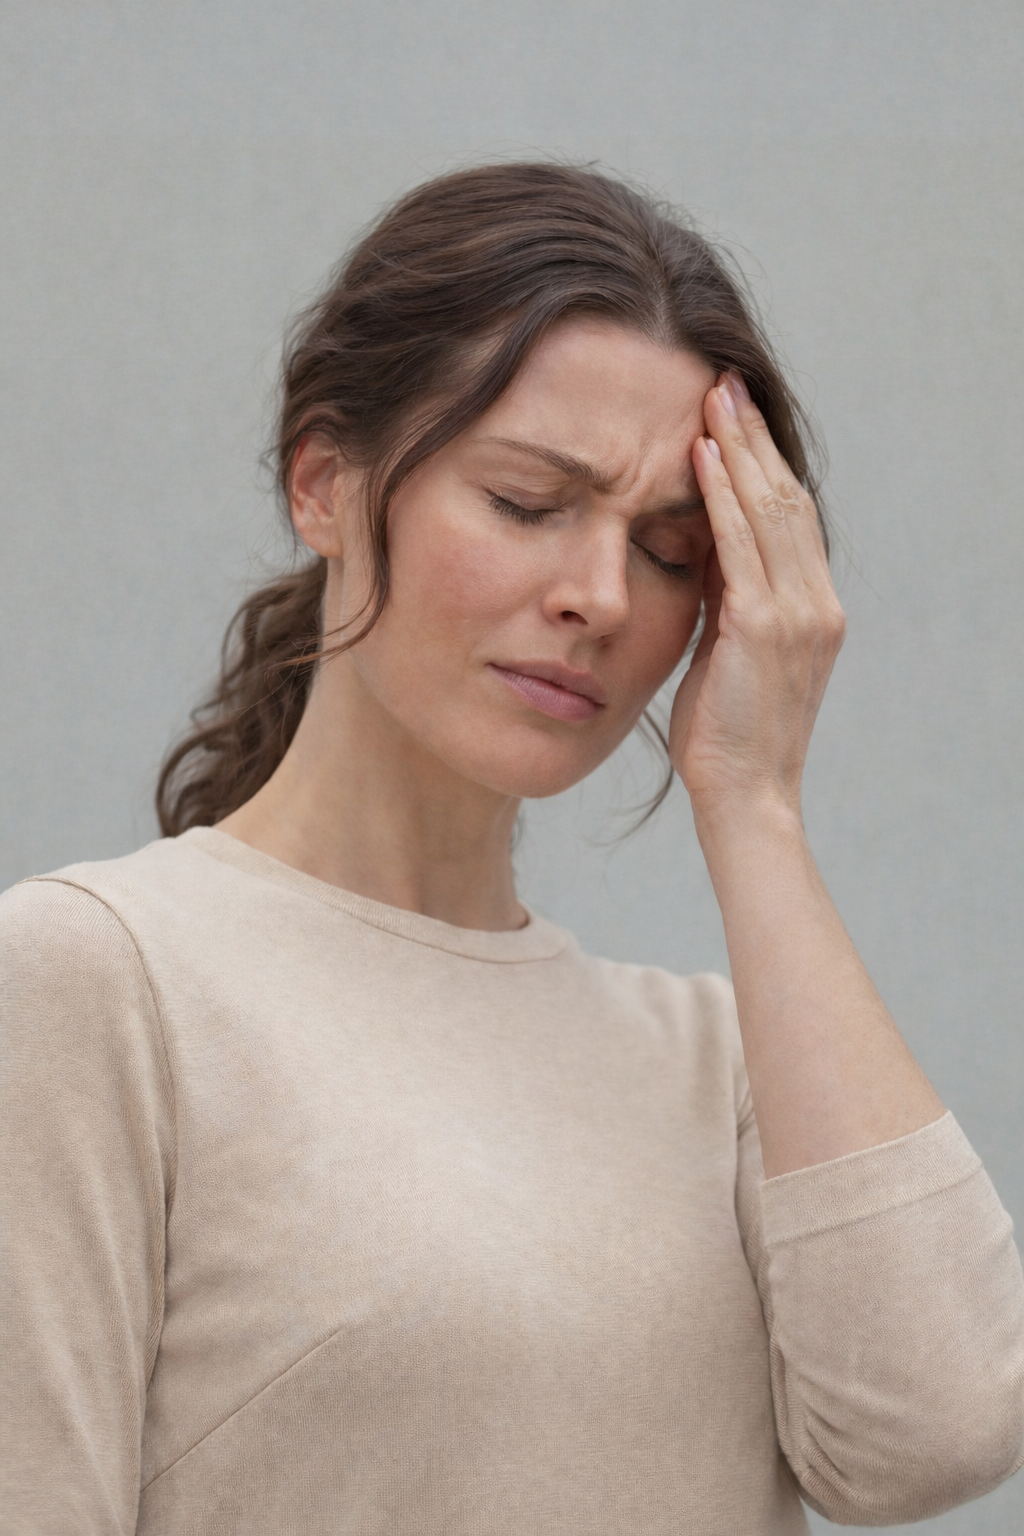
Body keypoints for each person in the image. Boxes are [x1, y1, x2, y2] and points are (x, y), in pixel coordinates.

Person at [1, 162, 1021, 1536]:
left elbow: (944, 1434)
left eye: (670, 552)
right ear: (323, 483)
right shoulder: (96, 982)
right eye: (529, 504)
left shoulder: (721, 1065)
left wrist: (753, 801)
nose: (600, 597)